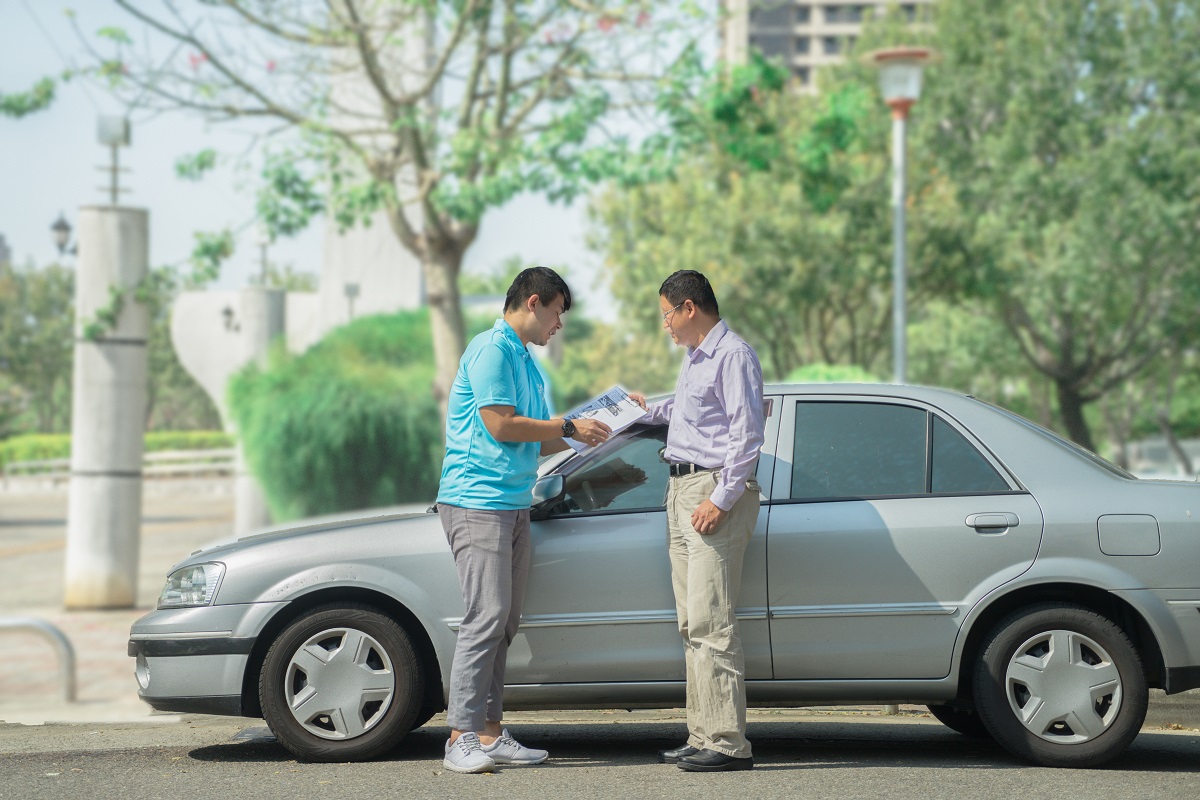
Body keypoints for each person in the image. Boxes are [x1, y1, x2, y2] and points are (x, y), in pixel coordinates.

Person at [436, 266, 612, 774]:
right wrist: (567, 425)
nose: (559, 324)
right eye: (558, 312)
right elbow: (500, 423)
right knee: (485, 616)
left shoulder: (526, 362)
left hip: (513, 502)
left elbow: (540, 437)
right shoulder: (492, 350)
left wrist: (607, 423)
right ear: (534, 302)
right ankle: (458, 737)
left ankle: (489, 733)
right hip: (477, 501)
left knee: (503, 623)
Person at [631, 270, 765, 773]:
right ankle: (702, 733)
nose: (664, 324)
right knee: (692, 624)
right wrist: (645, 409)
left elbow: (745, 435)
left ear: (690, 308)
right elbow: (690, 416)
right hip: (681, 488)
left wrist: (722, 499)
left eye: (666, 313)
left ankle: (729, 744)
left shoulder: (733, 356)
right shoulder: (696, 358)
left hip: (710, 492)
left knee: (713, 621)